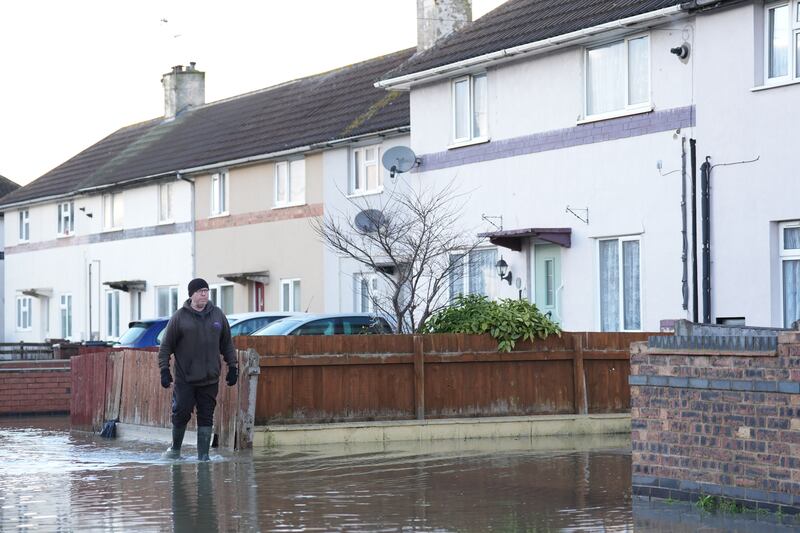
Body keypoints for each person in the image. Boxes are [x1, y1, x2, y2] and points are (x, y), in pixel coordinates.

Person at [159, 278, 238, 460]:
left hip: (210, 378)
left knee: (206, 415)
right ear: (191, 294)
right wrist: (164, 370)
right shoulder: (179, 317)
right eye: (200, 291)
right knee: (181, 412)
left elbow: (227, 344)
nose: (204, 294)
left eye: (206, 291)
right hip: (185, 378)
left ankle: (203, 456)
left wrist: (232, 366)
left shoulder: (217, 315)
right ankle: (175, 450)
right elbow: (165, 347)